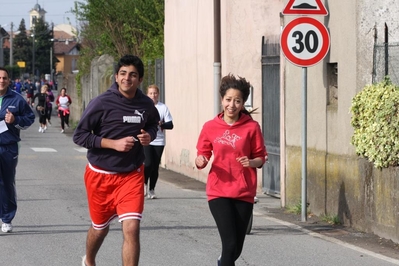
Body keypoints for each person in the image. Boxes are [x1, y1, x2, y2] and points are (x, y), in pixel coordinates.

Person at [73, 55, 160, 266]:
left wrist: (149, 135)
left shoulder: (146, 104)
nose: (127, 79)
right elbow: (80, 135)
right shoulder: (102, 102)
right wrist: (113, 143)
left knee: (131, 228)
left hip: (131, 174)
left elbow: (153, 123)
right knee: (100, 228)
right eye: (123, 74)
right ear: (116, 76)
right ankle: (89, 260)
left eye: (132, 75)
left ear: (139, 80)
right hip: (100, 175)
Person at [195, 74, 267, 266]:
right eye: (228, 100)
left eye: (237, 101)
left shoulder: (251, 127)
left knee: (236, 249)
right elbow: (202, 154)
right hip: (219, 191)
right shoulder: (210, 127)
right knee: (230, 243)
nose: (232, 105)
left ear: (243, 103)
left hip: (244, 191)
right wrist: (201, 160)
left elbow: (261, 157)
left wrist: (251, 163)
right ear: (222, 100)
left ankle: (222, 262)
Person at [0, 67, 35, 233]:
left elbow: (29, 118)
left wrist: (15, 120)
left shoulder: (17, 99)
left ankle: (7, 218)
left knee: (7, 182)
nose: (1, 80)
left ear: (8, 80)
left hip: (8, 147)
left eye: (4, 78)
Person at [143, 84, 174, 199]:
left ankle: (152, 189)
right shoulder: (144, 107)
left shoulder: (163, 108)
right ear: (147, 94)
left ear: (158, 94)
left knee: (155, 166)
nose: (153, 95)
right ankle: (144, 184)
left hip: (159, 141)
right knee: (148, 164)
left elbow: (170, 125)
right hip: (147, 140)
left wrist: (162, 124)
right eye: (150, 93)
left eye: (155, 93)